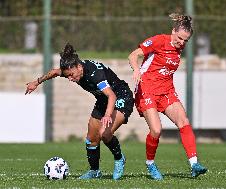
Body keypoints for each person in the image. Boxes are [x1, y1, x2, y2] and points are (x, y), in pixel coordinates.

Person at [25, 43, 134, 180]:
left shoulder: (95, 74)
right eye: (67, 76)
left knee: (105, 133)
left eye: (71, 75)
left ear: (78, 66)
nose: (70, 79)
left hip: (120, 96)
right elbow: (54, 72)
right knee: (91, 139)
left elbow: (111, 95)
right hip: (103, 100)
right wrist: (37, 82)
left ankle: (119, 159)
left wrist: (107, 115)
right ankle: (94, 171)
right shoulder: (72, 70)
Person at [128, 13, 207, 180]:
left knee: (184, 122)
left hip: (166, 91)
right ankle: (150, 163)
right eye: (180, 38)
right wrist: (136, 69)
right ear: (173, 31)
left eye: (186, 40)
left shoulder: (180, 47)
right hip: (147, 89)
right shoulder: (159, 41)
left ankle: (194, 164)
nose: (182, 43)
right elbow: (133, 55)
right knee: (156, 130)